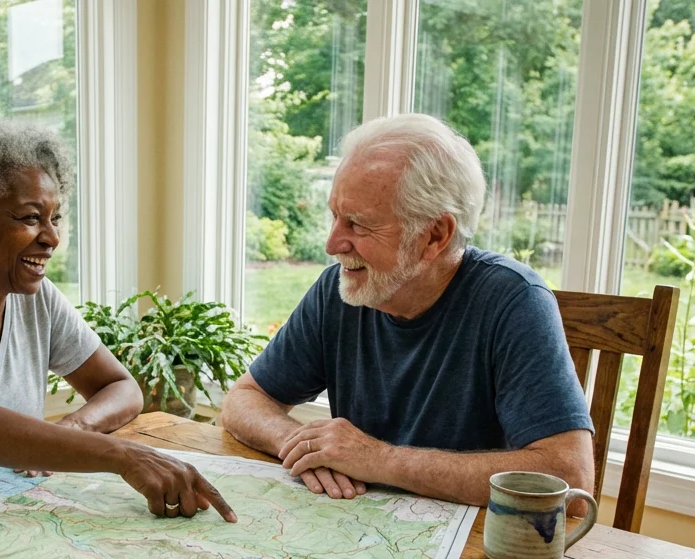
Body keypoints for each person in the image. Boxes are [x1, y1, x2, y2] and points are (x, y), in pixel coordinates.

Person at [0, 117, 234, 522]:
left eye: (55, 218)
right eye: (30, 218)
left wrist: (77, 427)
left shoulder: (36, 298)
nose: (51, 237)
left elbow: (120, 387)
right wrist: (121, 456)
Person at [219, 113, 594, 508]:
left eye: (358, 224)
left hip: (471, 551)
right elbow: (245, 399)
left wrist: (379, 460)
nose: (332, 244)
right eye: (334, 216)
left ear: (435, 235)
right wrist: (301, 446)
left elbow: (568, 476)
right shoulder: (340, 289)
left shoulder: (514, 300)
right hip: (360, 531)